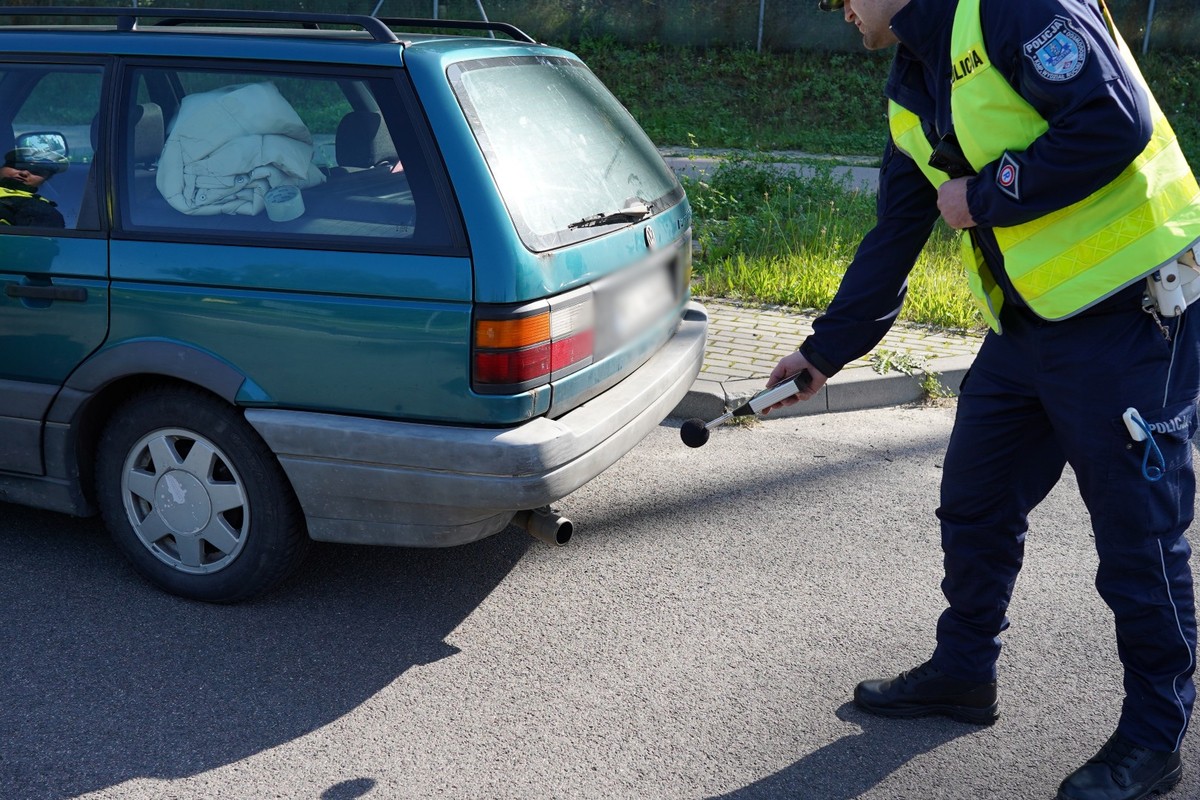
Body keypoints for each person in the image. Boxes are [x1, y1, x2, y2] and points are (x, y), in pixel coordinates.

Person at [765, 1, 1200, 798]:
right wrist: (824, 352)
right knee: (976, 500)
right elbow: (898, 228)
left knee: (1139, 539)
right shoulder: (913, 81)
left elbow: (1111, 121)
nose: (841, 10)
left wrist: (990, 195)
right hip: (1028, 326)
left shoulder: (1013, 5)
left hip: (1133, 316)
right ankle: (964, 671)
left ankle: (1154, 737)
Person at [0, 146, 67, 228]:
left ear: (46, 179)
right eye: (18, 166)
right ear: (2, 167)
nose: (24, 173)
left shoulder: (42, 211)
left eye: (36, 171)